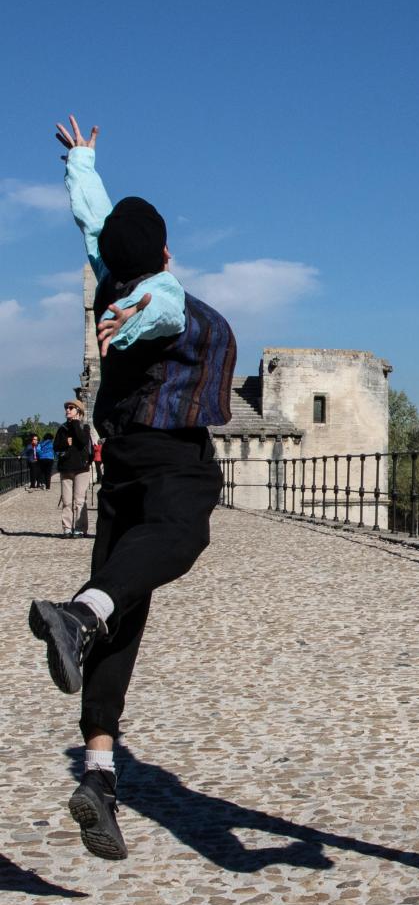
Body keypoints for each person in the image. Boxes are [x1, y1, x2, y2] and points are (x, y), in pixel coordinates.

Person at [29, 116, 236, 861]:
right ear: (167, 253)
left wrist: (82, 162)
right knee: (183, 534)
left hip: (118, 467)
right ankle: (77, 616)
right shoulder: (156, 291)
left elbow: (95, 219)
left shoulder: (108, 268)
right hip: (171, 457)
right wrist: (142, 304)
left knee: (124, 607)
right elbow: (168, 306)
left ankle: (99, 773)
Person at [54, 400, 93, 537]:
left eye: (71, 408)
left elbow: (82, 441)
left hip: (81, 469)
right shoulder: (62, 429)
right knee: (66, 501)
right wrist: (65, 443)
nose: (67, 410)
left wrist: (76, 424)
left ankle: (80, 528)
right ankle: (67, 528)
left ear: (79, 411)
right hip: (66, 468)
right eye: (66, 408)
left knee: (79, 500)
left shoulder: (85, 427)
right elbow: (56, 447)